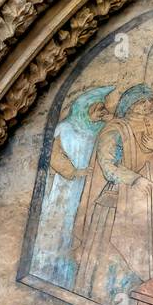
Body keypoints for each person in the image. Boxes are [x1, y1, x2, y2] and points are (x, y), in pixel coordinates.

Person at [72, 84, 153, 305]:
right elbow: (108, 165)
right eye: (142, 101)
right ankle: (100, 298)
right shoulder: (115, 129)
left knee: (141, 254)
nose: (148, 105)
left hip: (146, 204)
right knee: (109, 255)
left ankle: (135, 301)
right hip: (116, 201)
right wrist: (135, 179)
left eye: (149, 100)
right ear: (129, 105)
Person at [32, 84, 114, 287]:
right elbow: (55, 154)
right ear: (84, 108)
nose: (101, 113)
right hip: (65, 187)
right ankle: (46, 267)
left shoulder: (98, 129)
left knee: (77, 224)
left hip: (86, 187)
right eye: (97, 109)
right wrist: (74, 172)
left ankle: (66, 275)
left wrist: (109, 120)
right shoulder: (66, 127)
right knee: (59, 222)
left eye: (102, 109)